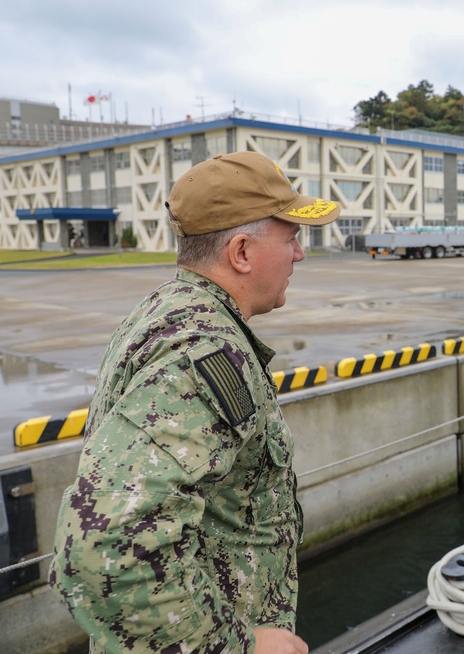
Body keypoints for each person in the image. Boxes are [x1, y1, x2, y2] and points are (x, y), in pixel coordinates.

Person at [49, 151, 340, 654]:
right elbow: (104, 547)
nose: (300, 255)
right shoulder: (200, 351)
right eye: (291, 237)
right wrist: (238, 647)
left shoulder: (167, 310)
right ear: (242, 252)